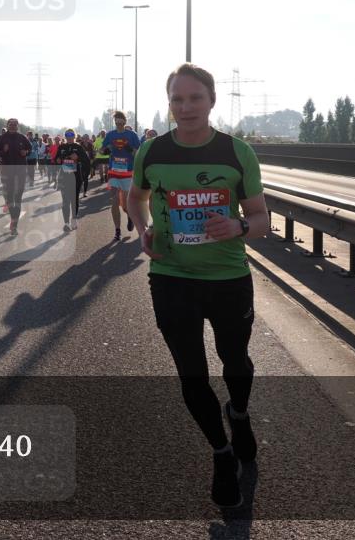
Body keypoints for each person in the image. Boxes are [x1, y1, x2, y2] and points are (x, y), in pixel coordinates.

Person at [127, 63, 269, 510]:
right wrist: (142, 227)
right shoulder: (151, 152)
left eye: (194, 98)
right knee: (191, 373)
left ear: (211, 101)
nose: (185, 108)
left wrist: (239, 226)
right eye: (177, 100)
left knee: (236, 364)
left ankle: (239, 415)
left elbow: (263, 219)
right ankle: (221, 453)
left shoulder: (236, 151)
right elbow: (136, 195)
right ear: (168, 104)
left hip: (228, 278)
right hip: (171, 277)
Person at [101, 112, 142, 241]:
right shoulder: (110, 135)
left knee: (125, 204)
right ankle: (117, 231)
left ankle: (130, 216)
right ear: (115, 122)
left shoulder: (132, 135)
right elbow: (102, 150)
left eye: (121, 120)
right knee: (114, 201)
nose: (118, 122)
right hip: (114, 172)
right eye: (116, 120)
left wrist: (129, 148)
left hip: (128, 173)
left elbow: (138, 153)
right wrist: (105, 149)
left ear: (124, 121)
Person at [0, 118, 32, 236]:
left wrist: (26, 152)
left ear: (18, 126)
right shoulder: (2, 138)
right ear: (7, 125)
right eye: (11, 124)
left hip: (20, 171)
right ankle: (14, 218)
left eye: (15, 124)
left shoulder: (22, 137)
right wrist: (3, 152)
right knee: (10, 198)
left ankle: (14, 225)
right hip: (7, 171)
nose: (13, 126)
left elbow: (30, 148)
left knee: (18, 198)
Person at [53, 129, 91, 231]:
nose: (69, 137)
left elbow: (87, 161)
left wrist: (78, 158)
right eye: (67, 135)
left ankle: (73, 219)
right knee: (65, 201)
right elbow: (56, 160)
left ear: (74, 136)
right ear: (65, 137)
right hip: (64, 177)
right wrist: (58, 160)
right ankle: (66, 223)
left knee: (74, 200)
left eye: (71, 135)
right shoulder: (61, 147)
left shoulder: (78, 147)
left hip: (76, 178)